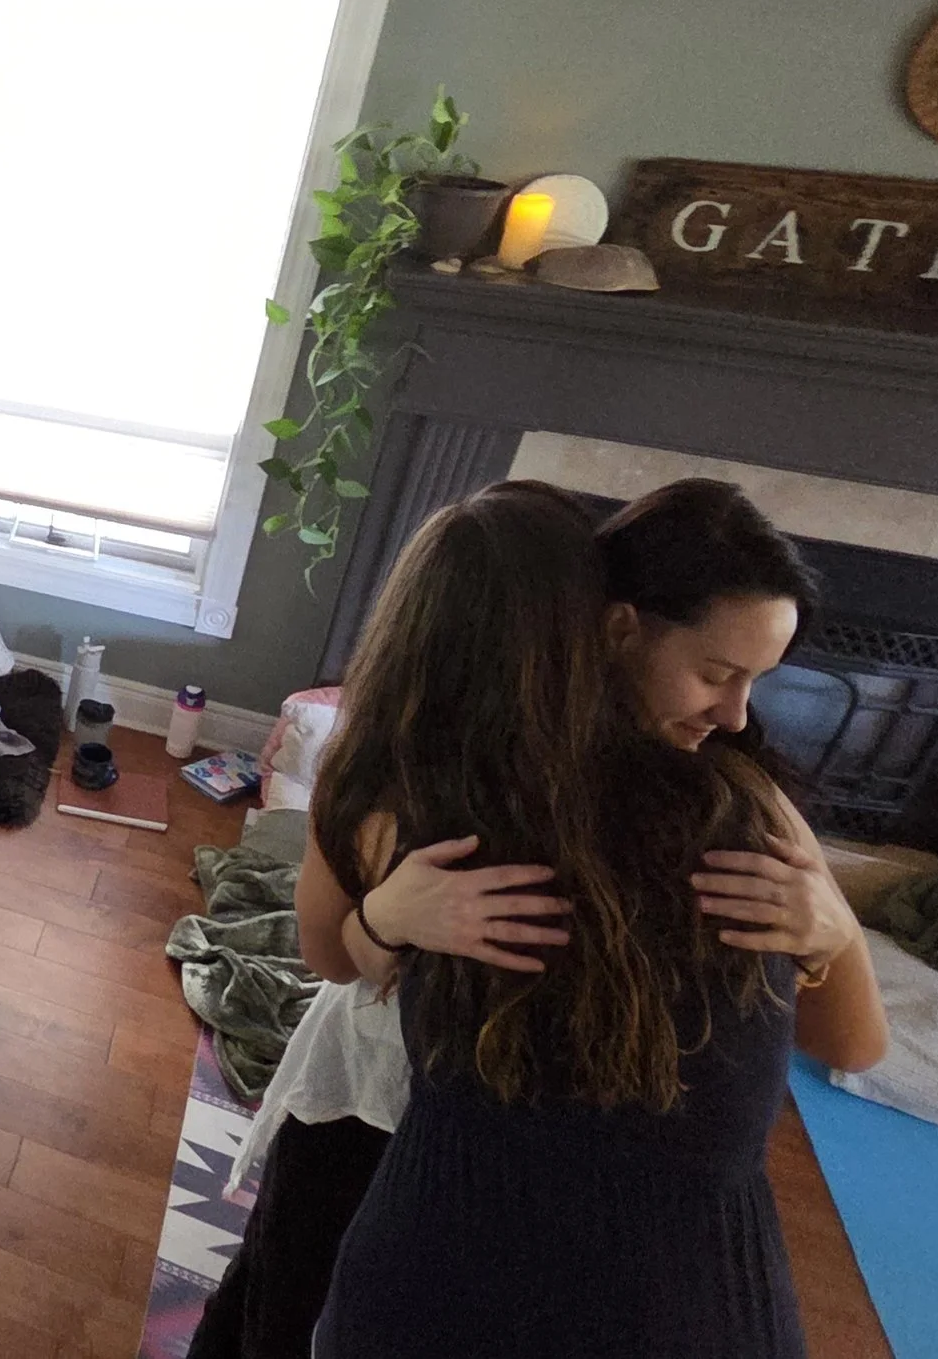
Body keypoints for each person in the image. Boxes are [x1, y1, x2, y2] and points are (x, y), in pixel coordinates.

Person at [289, 481, 883, 1358]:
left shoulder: (395, 805)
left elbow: (338, 963)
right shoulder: (750, 807)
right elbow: (856, 1049)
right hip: (677, 1298)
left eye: (756, 679)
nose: (736, 714)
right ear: (610, 630)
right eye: (718, 673)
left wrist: (833, 935)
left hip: (455, 1277)